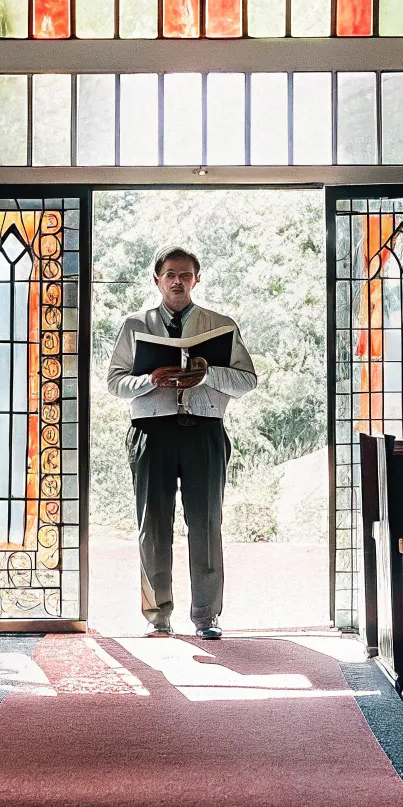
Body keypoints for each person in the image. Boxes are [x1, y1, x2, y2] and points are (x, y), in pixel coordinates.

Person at [106, 247, 257, 639]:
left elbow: (247, 380)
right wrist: (149, 380)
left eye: (185, 274)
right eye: (170, 274)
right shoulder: (134, 325)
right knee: (153, 525)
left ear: (196, 280)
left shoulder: (220, 325)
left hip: (203, 430)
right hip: (151, 433)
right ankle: (158, 616)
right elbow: (114, 382)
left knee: (206, 523)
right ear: (156, 279)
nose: (177, 281)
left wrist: (207, 375)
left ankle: (206, 615)